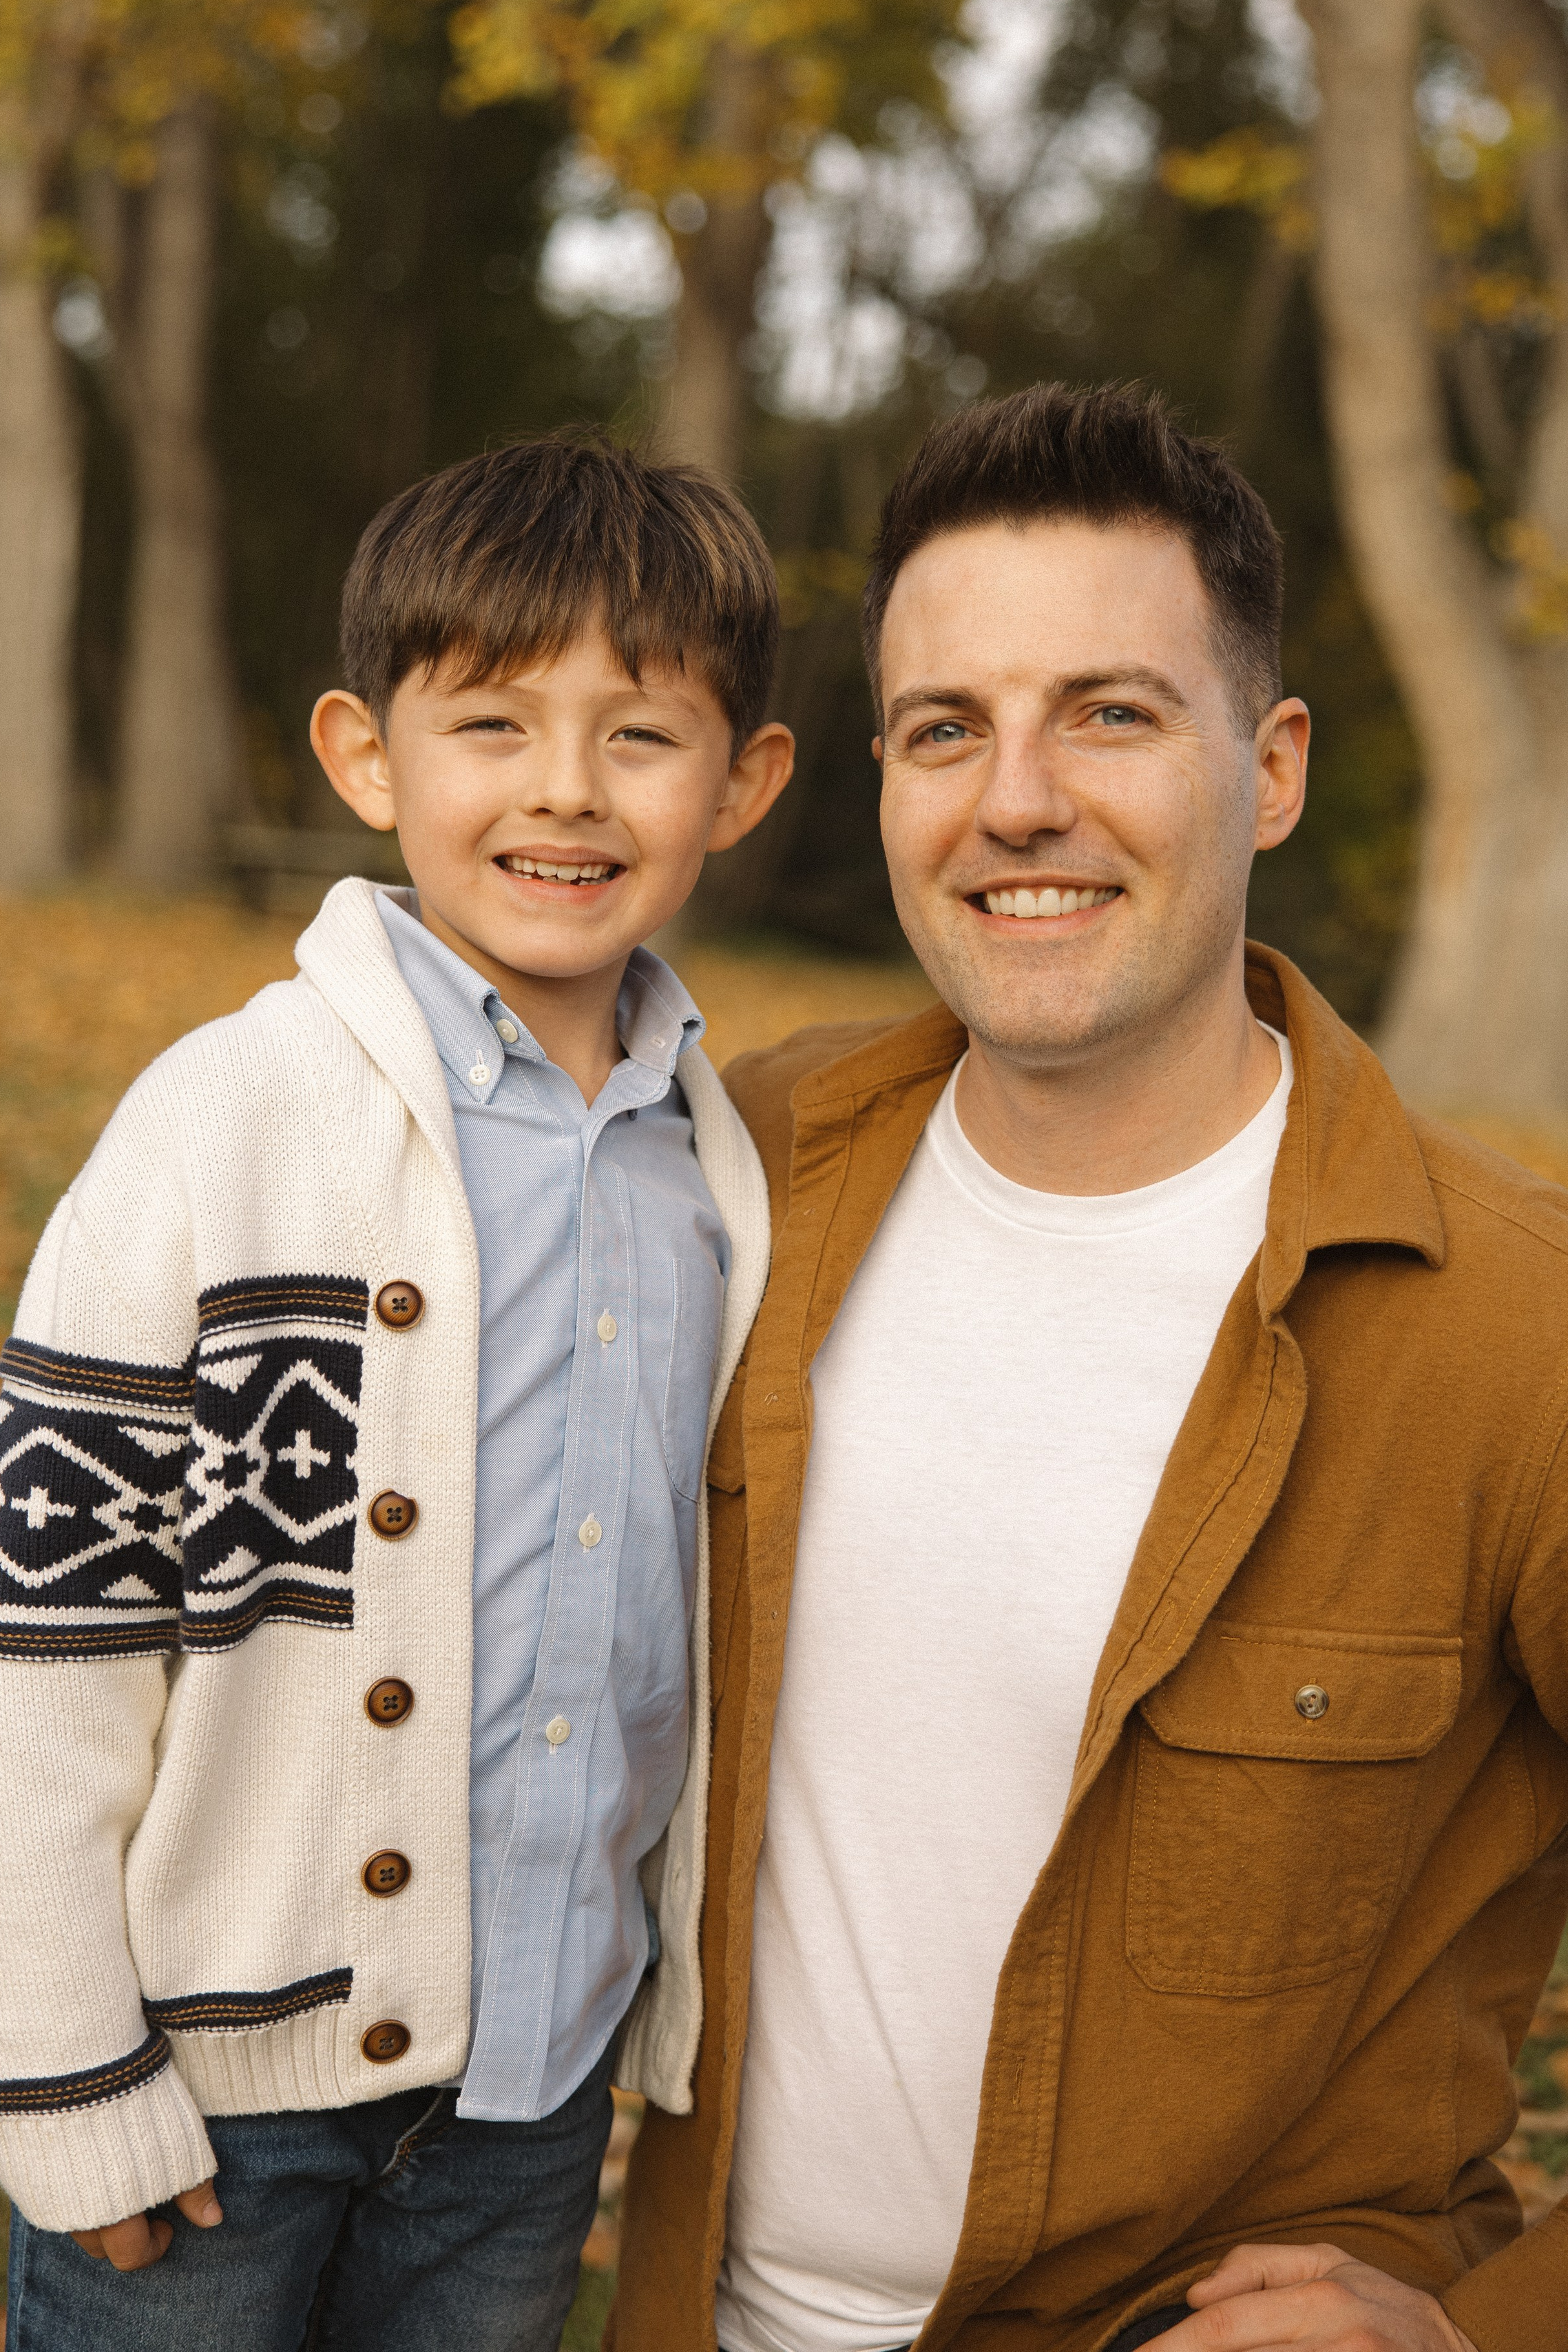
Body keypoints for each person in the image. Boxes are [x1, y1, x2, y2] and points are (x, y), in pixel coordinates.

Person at [609, 383, 1568, 2352]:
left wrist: (1491, 2330)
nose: (1018, 802)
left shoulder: (1514, 1330)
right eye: (945, 729)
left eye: (1111, 714)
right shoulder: (722, 1175)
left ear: (1269, 770)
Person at [0, 430, 795, 2352]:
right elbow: (59, 1631)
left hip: (529, 2088)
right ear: (365, 756)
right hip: (210, 2098)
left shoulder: (713, 1174)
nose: (565, 789)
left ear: (742, 783)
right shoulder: (224, 1124)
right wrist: (68, 2070)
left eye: (642, 735)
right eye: (491, 723)